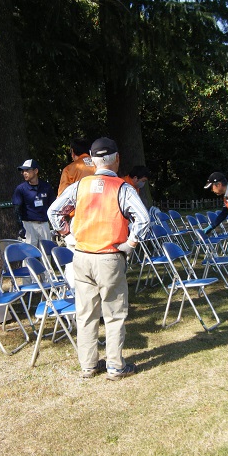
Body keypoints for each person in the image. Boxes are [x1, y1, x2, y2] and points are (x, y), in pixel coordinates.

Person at [48, 137, 150, 381]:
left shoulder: (79, 186)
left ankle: (88, 365)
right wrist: (130, 243)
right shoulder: (122, 188)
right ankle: (115, 366)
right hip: (109, 257)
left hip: (82, 257)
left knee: (85, 314)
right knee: (114, 314)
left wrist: (67, 234)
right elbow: (143, 219)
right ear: (117, 158)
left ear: (92, 161)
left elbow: (53, 211)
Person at [12, 159, 56, 247]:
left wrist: (54, 225)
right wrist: (21, 226)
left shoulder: (46, 186)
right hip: (28, 226)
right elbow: (17, 209)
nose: (24, 173)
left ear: (36, 171)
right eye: (23, 171)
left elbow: (53, 206)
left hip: (44, 225)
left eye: (27, 170)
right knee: (29, 255)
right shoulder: (21, 189)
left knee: (47, 254)